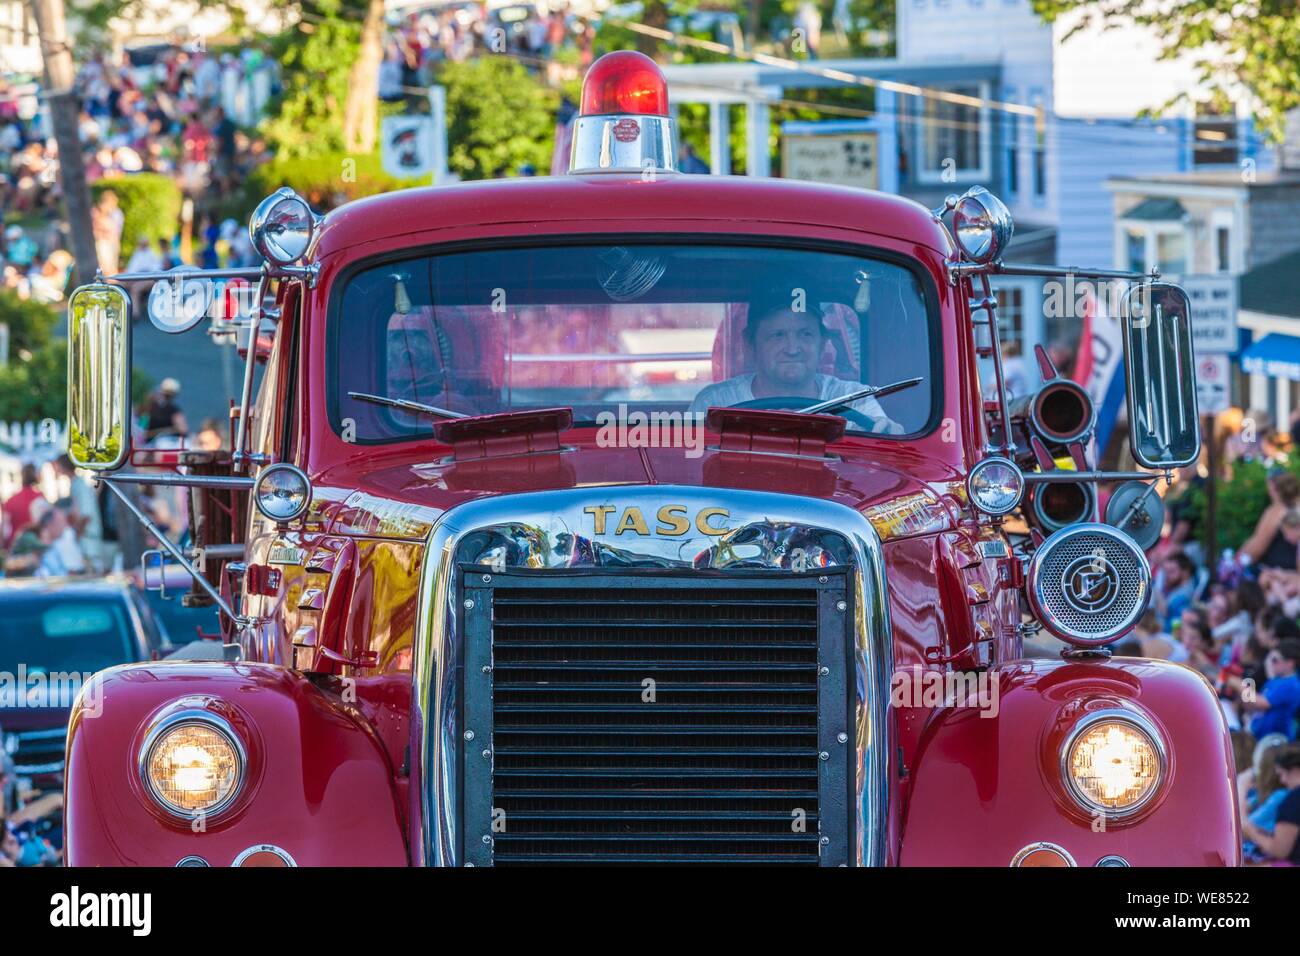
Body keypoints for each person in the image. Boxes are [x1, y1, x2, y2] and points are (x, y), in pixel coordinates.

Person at [689, 300, 904, 433]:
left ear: (823, 343)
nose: (793, 349)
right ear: (751, 344)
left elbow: (877, 465)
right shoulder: (714, 401)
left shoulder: (855, 398)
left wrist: (889, 433)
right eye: (778, 335)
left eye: (805, 334)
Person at [1241, 744, 1300, 864]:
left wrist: (1251, 831)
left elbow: (1280, 850)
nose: (1283, 780)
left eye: (1283, 774)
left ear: (1296, 769)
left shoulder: (1293, 799)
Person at [1238, 470, 1300, 570]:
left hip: (1278, 571)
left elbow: (1257, 549)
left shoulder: (1276, 512)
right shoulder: (1296, 506)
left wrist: (1236, 561)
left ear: (1273, 488)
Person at [52, 455, 103, 573]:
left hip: (89, 546)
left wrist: (75, 535)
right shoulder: (76, 485)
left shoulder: (80, 486)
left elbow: (86, 515)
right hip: (86, 544)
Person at [1243, 640, 1300, 741]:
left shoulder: (1291, 684)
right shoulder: (1274, 681)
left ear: (1290, 663)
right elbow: (1252, 703)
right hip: (1260, 737)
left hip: (1275, 741)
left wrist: (1241, 686)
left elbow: (1262, 703)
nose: (1271, 663)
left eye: (1275, 660)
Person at [2, 463, 49, 550]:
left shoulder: (11, 501)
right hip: (36, 545)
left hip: (15, 545)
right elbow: (46, 525)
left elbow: (4, 529)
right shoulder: (40, 498)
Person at [1154, 550, 1198, 631]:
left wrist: (1156, 590)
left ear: (1185, 572)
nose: (1167, 576)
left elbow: (1165, 612)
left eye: (1172, 571)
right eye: (1166, 572)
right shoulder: (1175, 586)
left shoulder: (1185, 595)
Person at [91, 190, 124, 275]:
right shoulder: (96, 212)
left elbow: (112, 230)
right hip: (102, 244)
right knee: (103, 268)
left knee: (110, 269)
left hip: (111, 244)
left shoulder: (116, 213)